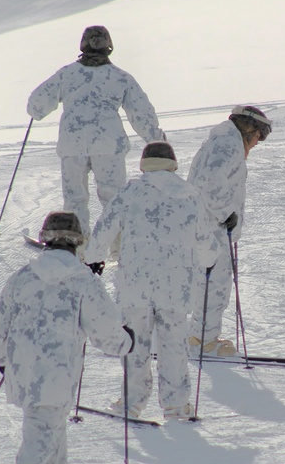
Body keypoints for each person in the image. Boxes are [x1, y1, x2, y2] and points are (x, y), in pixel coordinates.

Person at [0, 211, 134, 464]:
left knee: (49, 433)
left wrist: (4, 361)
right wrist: (126, 341)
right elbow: (106, 332)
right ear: (78, 242)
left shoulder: (23, 277)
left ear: (45, 240)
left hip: (22, 373)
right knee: (41, 435)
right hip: (57, 373)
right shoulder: (83, 281)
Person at [88, 142, 219, 421]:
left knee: (135, 342)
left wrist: (93, 259)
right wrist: (209, 261)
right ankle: (176, 406)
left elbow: (104, 227)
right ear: (172, 164)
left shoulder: (132, 191)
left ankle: (131, 402)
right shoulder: (191, 195)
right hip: (176, 285)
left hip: (135, 282)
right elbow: (206, 242)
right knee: (173, 345)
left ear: (144, 165)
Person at [26, 25, 167, 246]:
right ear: (109, 46)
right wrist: (154, 138)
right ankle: (117, 245)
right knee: (113, 196)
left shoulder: (67, 73)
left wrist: (36, 110)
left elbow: (37, 102)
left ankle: (74, 246)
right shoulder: (120, 77)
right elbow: (140, 111)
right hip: (108, 145)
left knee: (75, 197)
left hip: (73, 144)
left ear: (82, 44)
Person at [186, 105, 271, 357]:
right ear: (250, 129)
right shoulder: (228, 145)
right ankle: (204, 342)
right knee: (216, 283)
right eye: (259, 135)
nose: (258, 142)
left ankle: (198, 336)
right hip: (212, 227)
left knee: (208, 282)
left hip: (208, 225)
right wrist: (227, 213)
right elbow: (208, 181)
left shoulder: (222, 142)